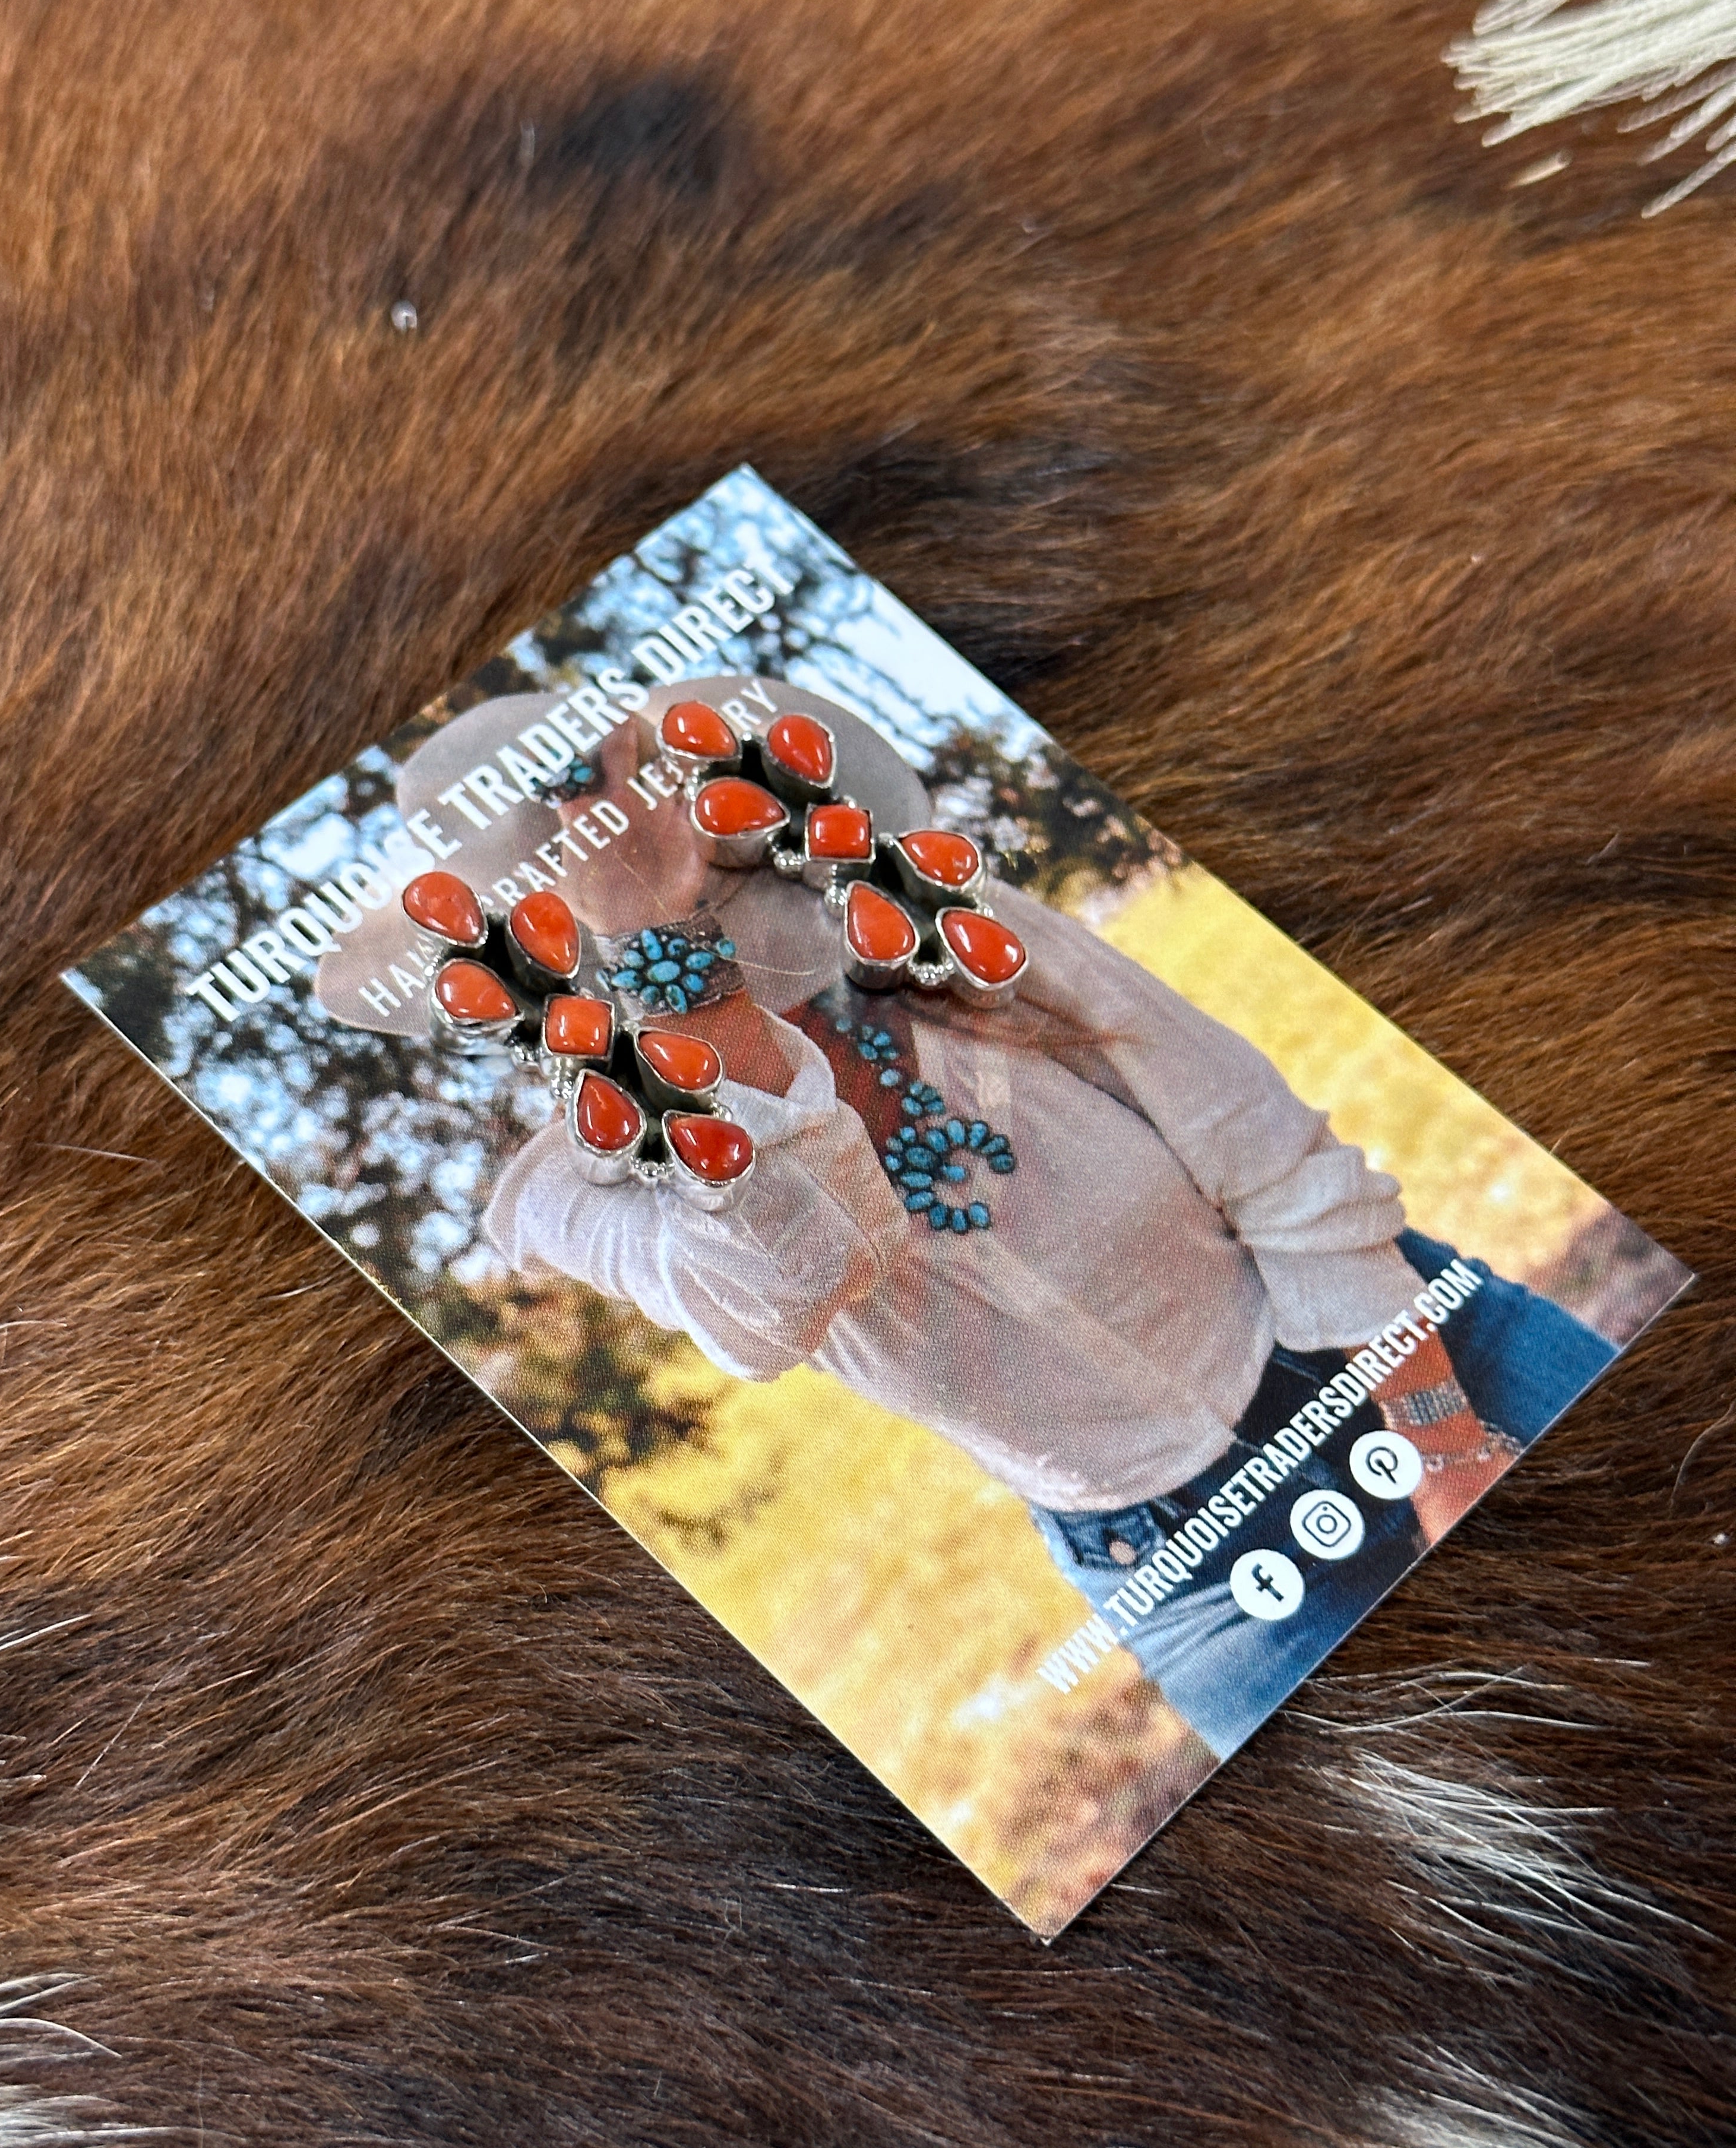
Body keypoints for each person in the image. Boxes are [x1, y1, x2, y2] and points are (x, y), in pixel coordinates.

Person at [317, 674, 1615, 1759]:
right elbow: (786, 1293)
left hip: (1419, 1360)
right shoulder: (567, 1194)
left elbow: (1262, 1148)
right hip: (1204, 1589)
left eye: (664, 802)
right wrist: (664, 951)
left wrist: (1443, 1442)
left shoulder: (948, 931)